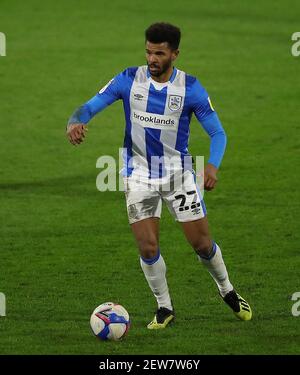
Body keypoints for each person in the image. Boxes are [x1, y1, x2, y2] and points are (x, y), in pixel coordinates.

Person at [66, 22, 252, 329]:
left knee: (202, 245)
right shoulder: (128, 78)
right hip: (137, 174)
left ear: (175, 54)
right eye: (149, 51)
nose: (152, 59)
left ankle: (227, 290)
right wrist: (75, 122)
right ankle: (164, 307)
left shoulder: (190, 89)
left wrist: (212, 166)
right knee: (147, 247)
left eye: (160, 53)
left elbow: (218, 133)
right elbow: (88, 107)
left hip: (178, 176)